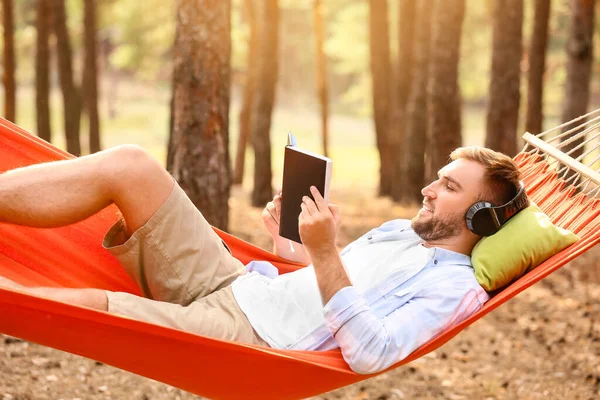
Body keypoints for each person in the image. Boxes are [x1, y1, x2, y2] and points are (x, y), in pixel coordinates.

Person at [0, 144, 525, 374]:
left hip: (251, 341)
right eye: (437, 177)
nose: (428, 189)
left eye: (449, 186)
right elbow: (321, 290)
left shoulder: (457, 290)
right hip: (241, 284)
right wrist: (294, 247)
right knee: (132, 165)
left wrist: (323, 253)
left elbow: (373, 351)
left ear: (480, 216)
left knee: (93, 306)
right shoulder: (401, 234)